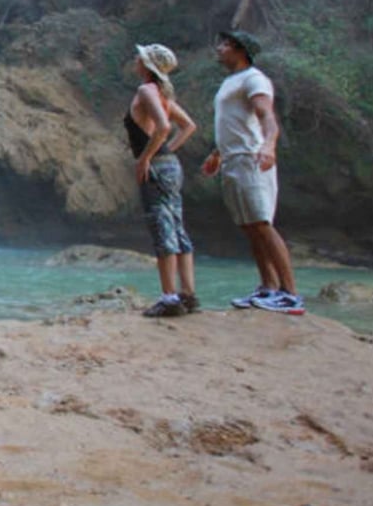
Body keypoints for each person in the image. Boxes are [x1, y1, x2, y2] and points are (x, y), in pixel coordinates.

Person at [201, 30, 303, 314]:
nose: (218, 49)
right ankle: (268, 288)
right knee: (249, 227)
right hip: (232, 160)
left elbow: (266, 116)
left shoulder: (254, 79)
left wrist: (269, 145)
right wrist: (217, 154)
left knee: (261, 223)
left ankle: (290, 294)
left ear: (240, 50)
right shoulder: (230, 82)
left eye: (224, 44)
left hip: (251, 159)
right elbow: (233, 122)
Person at [125, 43, 199, 317]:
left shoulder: (146, 90)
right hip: (170, 165)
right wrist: (167, 151)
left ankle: (169, 298)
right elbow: (189, 126)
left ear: (147, 65)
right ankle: (188, 294)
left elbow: (165, 127)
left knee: (162, 228)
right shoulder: (163, 93)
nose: (136, 59)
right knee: (177, 227)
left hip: (156, 167)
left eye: (140, 58)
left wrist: (145, 158)